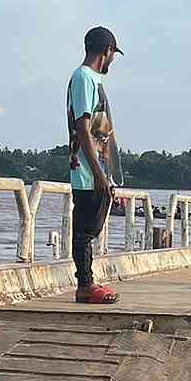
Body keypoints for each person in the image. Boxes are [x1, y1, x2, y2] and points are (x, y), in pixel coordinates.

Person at [67, 26, 124, 304]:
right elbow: (82, 127)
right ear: (107, 51)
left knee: (89, 230)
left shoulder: (92, 80)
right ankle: (85, 286)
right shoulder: (83, 78)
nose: (112, 59)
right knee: (84, 232)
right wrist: (99, 174)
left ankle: (88, 282)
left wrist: (107, 175)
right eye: (113, 54)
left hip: (98, 170)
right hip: (88, 172)